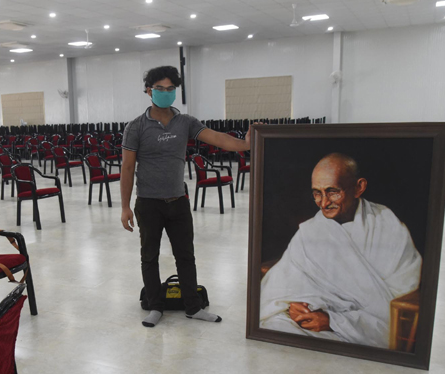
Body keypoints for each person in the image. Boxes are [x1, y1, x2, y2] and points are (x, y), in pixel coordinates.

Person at [120, 65, 251, 328]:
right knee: (149, 256)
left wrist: (246, 144)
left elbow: (217, 138)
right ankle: (155, 306)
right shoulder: (135, 126)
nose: (166, 93)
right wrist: (125, 207)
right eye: (160, 89)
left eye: (171, 89)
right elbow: (127, 167)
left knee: (186, 255)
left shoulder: (186, 122)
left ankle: (193, 306)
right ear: (149, 91)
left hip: (178, 201)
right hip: (148, 203)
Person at [259, 153, 422, 348]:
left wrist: (333, 321)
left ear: (359, 187)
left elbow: (397, 301)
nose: (324, 203)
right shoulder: (311, 230)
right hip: (314, 319)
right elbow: (283, 282)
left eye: (333, 191)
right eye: (317, 193)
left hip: (363, 328)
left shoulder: (387, 225)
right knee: (274, 326)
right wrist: (295, 305)